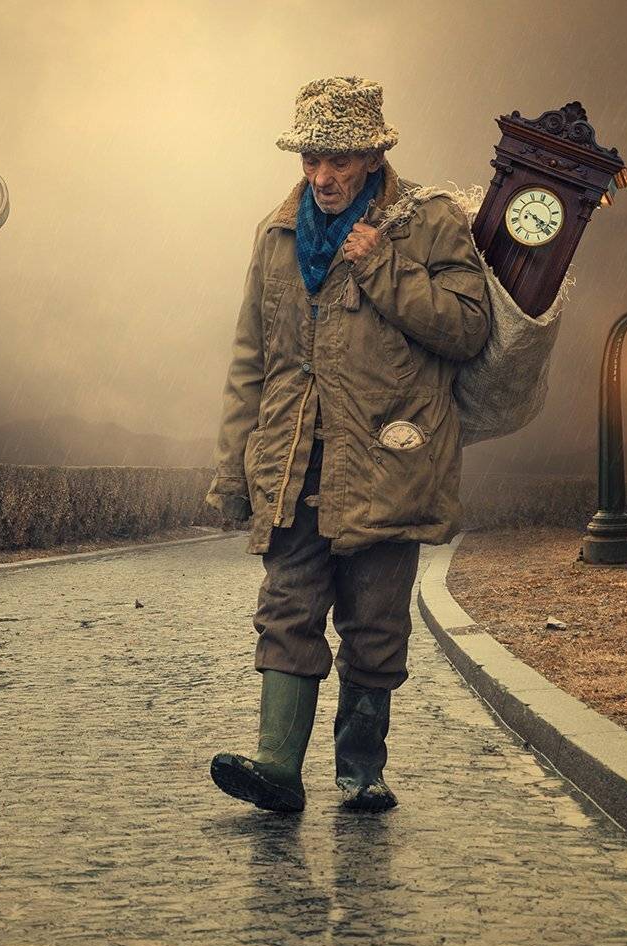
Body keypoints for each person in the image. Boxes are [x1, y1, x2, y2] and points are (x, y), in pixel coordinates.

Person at [205, 76, 493, 813]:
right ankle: (277, 768)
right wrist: (234, 469)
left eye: (337, 160)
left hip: (388, 465)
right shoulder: (276, 234)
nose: (322, 177)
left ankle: (362, 766)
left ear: (370, 155)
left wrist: (382, 265)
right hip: (294, 460)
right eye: (310, 159)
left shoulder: (428, 223)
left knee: (374, 627)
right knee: (286, 610)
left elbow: (466, 328)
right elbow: (252, 361)